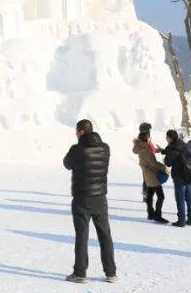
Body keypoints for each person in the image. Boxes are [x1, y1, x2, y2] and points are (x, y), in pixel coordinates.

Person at [62, 119, 117, 284]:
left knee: (82, 236)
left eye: (76, 132)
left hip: (81, 198)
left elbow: (67, 164)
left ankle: (80, 273)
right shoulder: (105, 148)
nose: (75, 134)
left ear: (81, 132)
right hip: (100, 197)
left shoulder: (77, 149)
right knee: (105, 235)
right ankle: (111, 273)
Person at [133, 131, 168, 223]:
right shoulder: (145, 149)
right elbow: (154, 163)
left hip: (147, 174)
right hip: (153, 175)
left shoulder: (140, 148)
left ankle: (150, 213)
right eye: (149, 138)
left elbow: (142, 163)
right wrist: (164, 167)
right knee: (161, 196)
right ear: (147, 138)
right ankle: (158, 215)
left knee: (150, 194)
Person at [163, 129, 191, 227]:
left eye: (167, 137)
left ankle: (181, 221)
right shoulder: (182, 144)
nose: (166, 139)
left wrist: (166, 154)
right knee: (189, 198)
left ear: (170, 138)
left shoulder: (173, 148)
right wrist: (164, 150)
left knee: (180, 199)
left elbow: (168, 162)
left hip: (180, 177)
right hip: (189, 175)